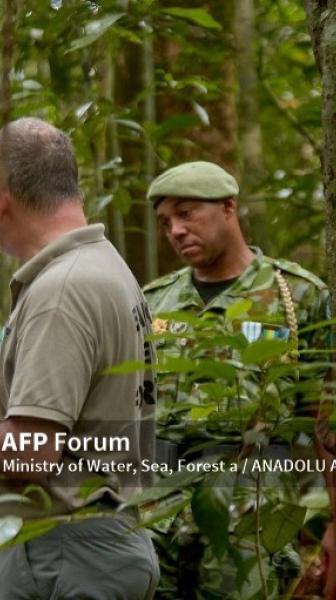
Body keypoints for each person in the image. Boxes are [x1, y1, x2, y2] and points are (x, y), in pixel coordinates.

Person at [0, 117, 159, 599]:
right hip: (102, 543)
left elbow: (34, 452)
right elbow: (79, 419)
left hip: (60, 554)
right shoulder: (107, 267)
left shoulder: (60, 291)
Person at [143, 160, 333, 597]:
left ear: (228, 207)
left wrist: (332, 527)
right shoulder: (154, 301)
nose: (175, 231)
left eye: (187, 213)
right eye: (166, 222)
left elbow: (322, 422)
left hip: (251, 515)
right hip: (158, 512)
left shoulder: (297, 296)